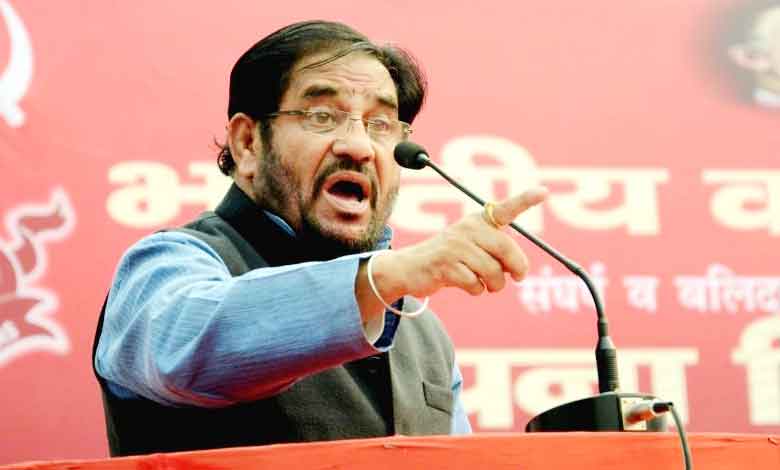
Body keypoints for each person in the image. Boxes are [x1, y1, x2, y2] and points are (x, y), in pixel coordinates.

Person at [92, 20, 547, 457]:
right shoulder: (167, 265)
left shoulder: (422, 331)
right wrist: (384, 278)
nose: (359, 147)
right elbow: (186, 351)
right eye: (322, 116)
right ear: (248, 143)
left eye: (381, 124)